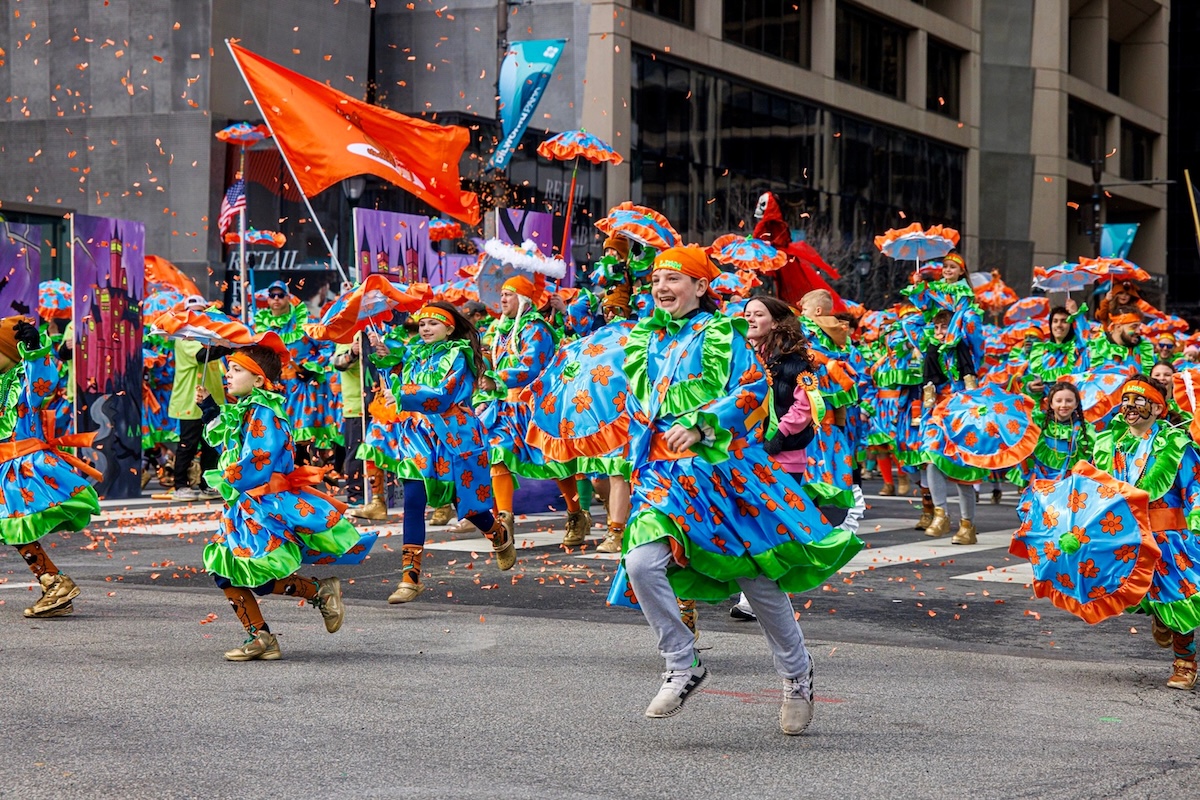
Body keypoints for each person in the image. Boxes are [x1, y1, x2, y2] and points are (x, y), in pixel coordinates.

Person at [618, 245, 861, 734]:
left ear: (701, 287)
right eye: (657, 279)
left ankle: (796, 676)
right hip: (665, 475)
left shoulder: (722, 334)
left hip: (722, 475)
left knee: (759, 583)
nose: (662, 287)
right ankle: (682, 663)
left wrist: (704, 425)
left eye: (675, 278)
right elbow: (640, 400)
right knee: (641, 564)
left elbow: (752, 389)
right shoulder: (645, 338)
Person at [202, 339, 360, 661]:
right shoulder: (248, 409)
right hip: (245, 505)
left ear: (259, 379)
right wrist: (209, 410)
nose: (227, 375)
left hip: (264, 505)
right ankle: (263, 636)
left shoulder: (264, 411)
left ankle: (316, 594)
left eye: (235, 370)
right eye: (228, 369)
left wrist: (228, 477)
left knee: (255, 576)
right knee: (228, 572)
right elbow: (228, 444)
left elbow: (258, 459)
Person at [372, 302, 515, 603]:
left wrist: (399, 392)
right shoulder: (414, 354)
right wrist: (387, 360)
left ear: (449, 329)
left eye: (432, 324)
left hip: (453, 436)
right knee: (413, 500)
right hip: (418, 437)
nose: (424, 328)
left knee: (468, 505)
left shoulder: (458, 356)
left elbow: (442, 396)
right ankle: (410, 579)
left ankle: (497, 533)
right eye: (422, 323)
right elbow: (404, 376)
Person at [1089, 375, 1200, 689]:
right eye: (1126, 399)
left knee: (1178, 599)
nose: (1129, 407)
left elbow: (1195, 484)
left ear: (1157, 406)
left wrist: (1197, 518)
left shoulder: (1176, 444)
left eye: (1139, 400)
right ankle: (1160, 617)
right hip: (1130, 535)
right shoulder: (1113, 443)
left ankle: (1185, 663)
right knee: (1135, 592)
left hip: (1170, 536)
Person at [477, 275, 591, 547]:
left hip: (536, 405)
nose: (503, 299)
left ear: (525, 299)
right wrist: (481, 362)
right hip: (505, 408)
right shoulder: (498, 327)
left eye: (509, 294)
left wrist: (498, 377)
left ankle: (576, 515)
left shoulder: (536, 328)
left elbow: (531, 366)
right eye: (502, 294)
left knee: (558, 466)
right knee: (498, 454)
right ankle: (504, 522)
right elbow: (487, 356)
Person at [0, 317, 102, 618]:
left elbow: (43, 379)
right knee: (15, 529)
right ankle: (54, 584)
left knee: (15, 527)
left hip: (21, 463)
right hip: (5, 464)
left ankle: (54, 582)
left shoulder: (23, 381)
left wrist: (34, 349)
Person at [729, 295, 820, 623]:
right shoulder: (740, 355)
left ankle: (757, 598)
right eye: (747, 314)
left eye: (758, 314)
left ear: (777, 322)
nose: (750, 319)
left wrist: (777, 436)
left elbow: (805, 405)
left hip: (784, 456)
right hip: (745, 454)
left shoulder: (795, 359)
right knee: (750, 523)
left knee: (772, 527)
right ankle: (752, 594)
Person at [921, 309, 985, 543]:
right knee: (932, 455)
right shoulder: (930, 348)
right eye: (936, 327)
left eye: (944, 327)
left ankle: (967, 526)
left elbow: (969, 375)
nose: (939, 332)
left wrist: (971, 405)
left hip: (961, 409)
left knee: (964, 467)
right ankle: (940, 514)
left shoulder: (960, 347)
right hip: (938, 410)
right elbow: (928, 380)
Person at [157, 295, 225, 501]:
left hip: (211, 399)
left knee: (210, 444)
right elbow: (200, 356)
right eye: (192, 312)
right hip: (190, 400)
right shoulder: (185, 337)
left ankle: (207, 485)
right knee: (188, 444)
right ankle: (180, 485)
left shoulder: (208, 337)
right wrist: (226, 345)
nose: (197, 315)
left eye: (201, 312)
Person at [331, 336, 366, 509]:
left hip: (381, 402)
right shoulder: (349, 336)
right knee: (356, 451)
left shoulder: (379, 332)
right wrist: (352, 352)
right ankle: (355, 494)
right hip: (356, 405)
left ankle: (381, 494)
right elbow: (338, 363)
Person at [1083, 305, 1154, 373]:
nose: (1138, 331)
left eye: (1139, 327)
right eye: (1134, 326)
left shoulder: (1145, 351)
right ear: (1118, 327)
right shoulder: (1095, 350)